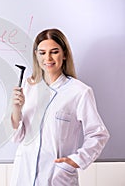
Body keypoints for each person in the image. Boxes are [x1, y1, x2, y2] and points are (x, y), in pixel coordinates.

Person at [10, 28, 110, 186]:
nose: (47, 58)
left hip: (57, 177)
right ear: (36, 55)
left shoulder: (79, 92)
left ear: (64, 54)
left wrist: (74, 161)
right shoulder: (28, 87)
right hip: (24, 175)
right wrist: (16, 109)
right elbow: (17, 137)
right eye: (42, 52)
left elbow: (98, 134)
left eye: (54, 52)